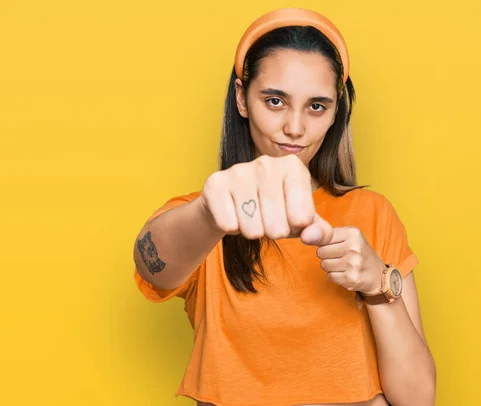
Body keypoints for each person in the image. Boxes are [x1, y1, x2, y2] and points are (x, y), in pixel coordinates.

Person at [133, 7, 436, 406]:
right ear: (241, 98)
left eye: (316, 106)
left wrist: (378, 284)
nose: (295, 127)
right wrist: (209, 213)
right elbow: (148, 262)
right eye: (275, 101)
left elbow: (417, 400)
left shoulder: (373, 214)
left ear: (334, 114)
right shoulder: (205, 215)